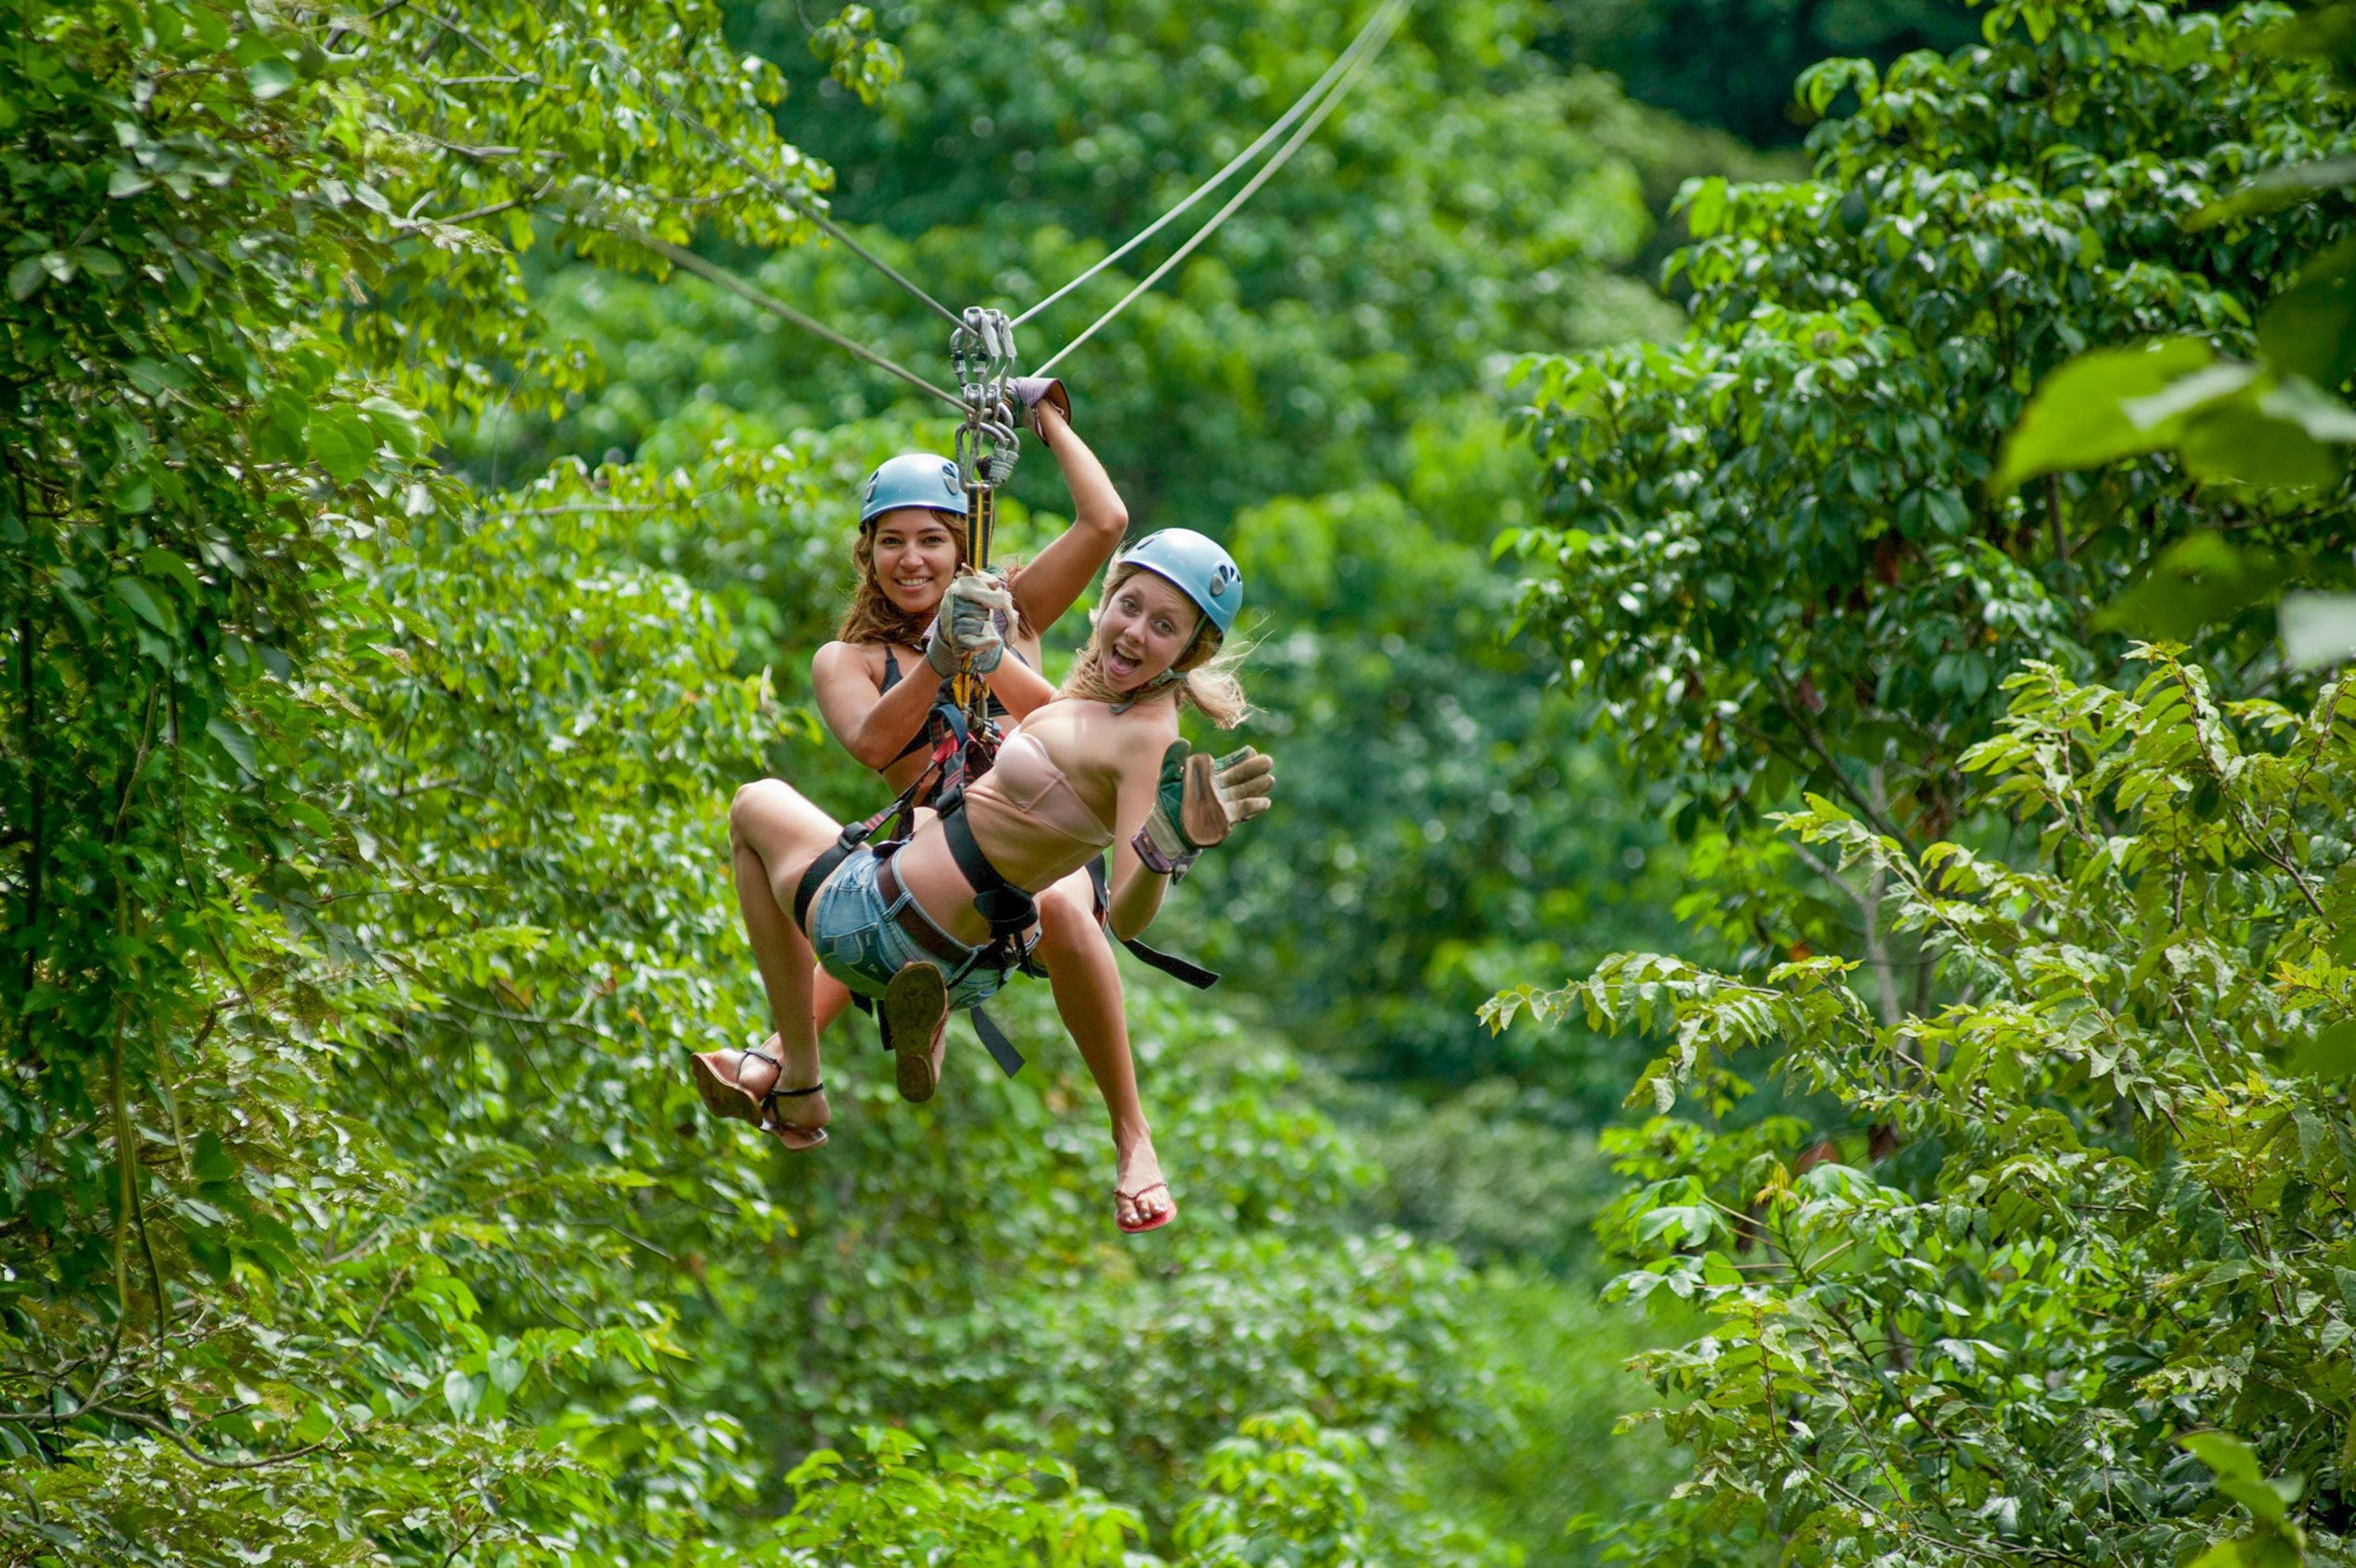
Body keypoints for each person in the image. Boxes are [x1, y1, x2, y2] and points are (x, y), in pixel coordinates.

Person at [691, 530, 1274, 1233]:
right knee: (974, 850)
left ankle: (797, 1073)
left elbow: (1125, 918)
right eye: (1129, 605)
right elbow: (1049, 720)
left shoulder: (1147, 738)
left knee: (754, 805)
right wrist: (985, 652)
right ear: (1106, 600)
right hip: (961, 960)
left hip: (879, 917)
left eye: (1164, 627)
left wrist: (1163, 850)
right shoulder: (1100, 706)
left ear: (1191, 652)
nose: (1134, 632)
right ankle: (831, 1051)